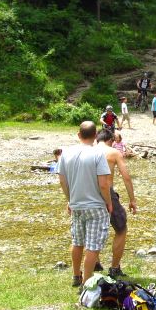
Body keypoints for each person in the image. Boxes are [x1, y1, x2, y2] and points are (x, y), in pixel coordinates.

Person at [57, 121, 113, 288]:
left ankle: (76, 275)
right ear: (95, 136)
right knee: (93, 246)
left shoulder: (66, 154)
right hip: (95, 206)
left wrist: (70, 199)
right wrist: (109, 202)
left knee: (77, 242)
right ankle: (86, 283)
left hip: (77, 205)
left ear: (78, 134)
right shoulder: (97, 154)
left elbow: (62, 180)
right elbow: (103, 184)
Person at [96, 129, 137, 278]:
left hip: (90, 194)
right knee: (121, 229)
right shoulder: (113, 153)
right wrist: (132, 199)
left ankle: (95, 262)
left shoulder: (89, 151)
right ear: (111, 140)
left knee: (92, 228)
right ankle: (114, 268)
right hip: (108, 193)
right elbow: (126, 177)